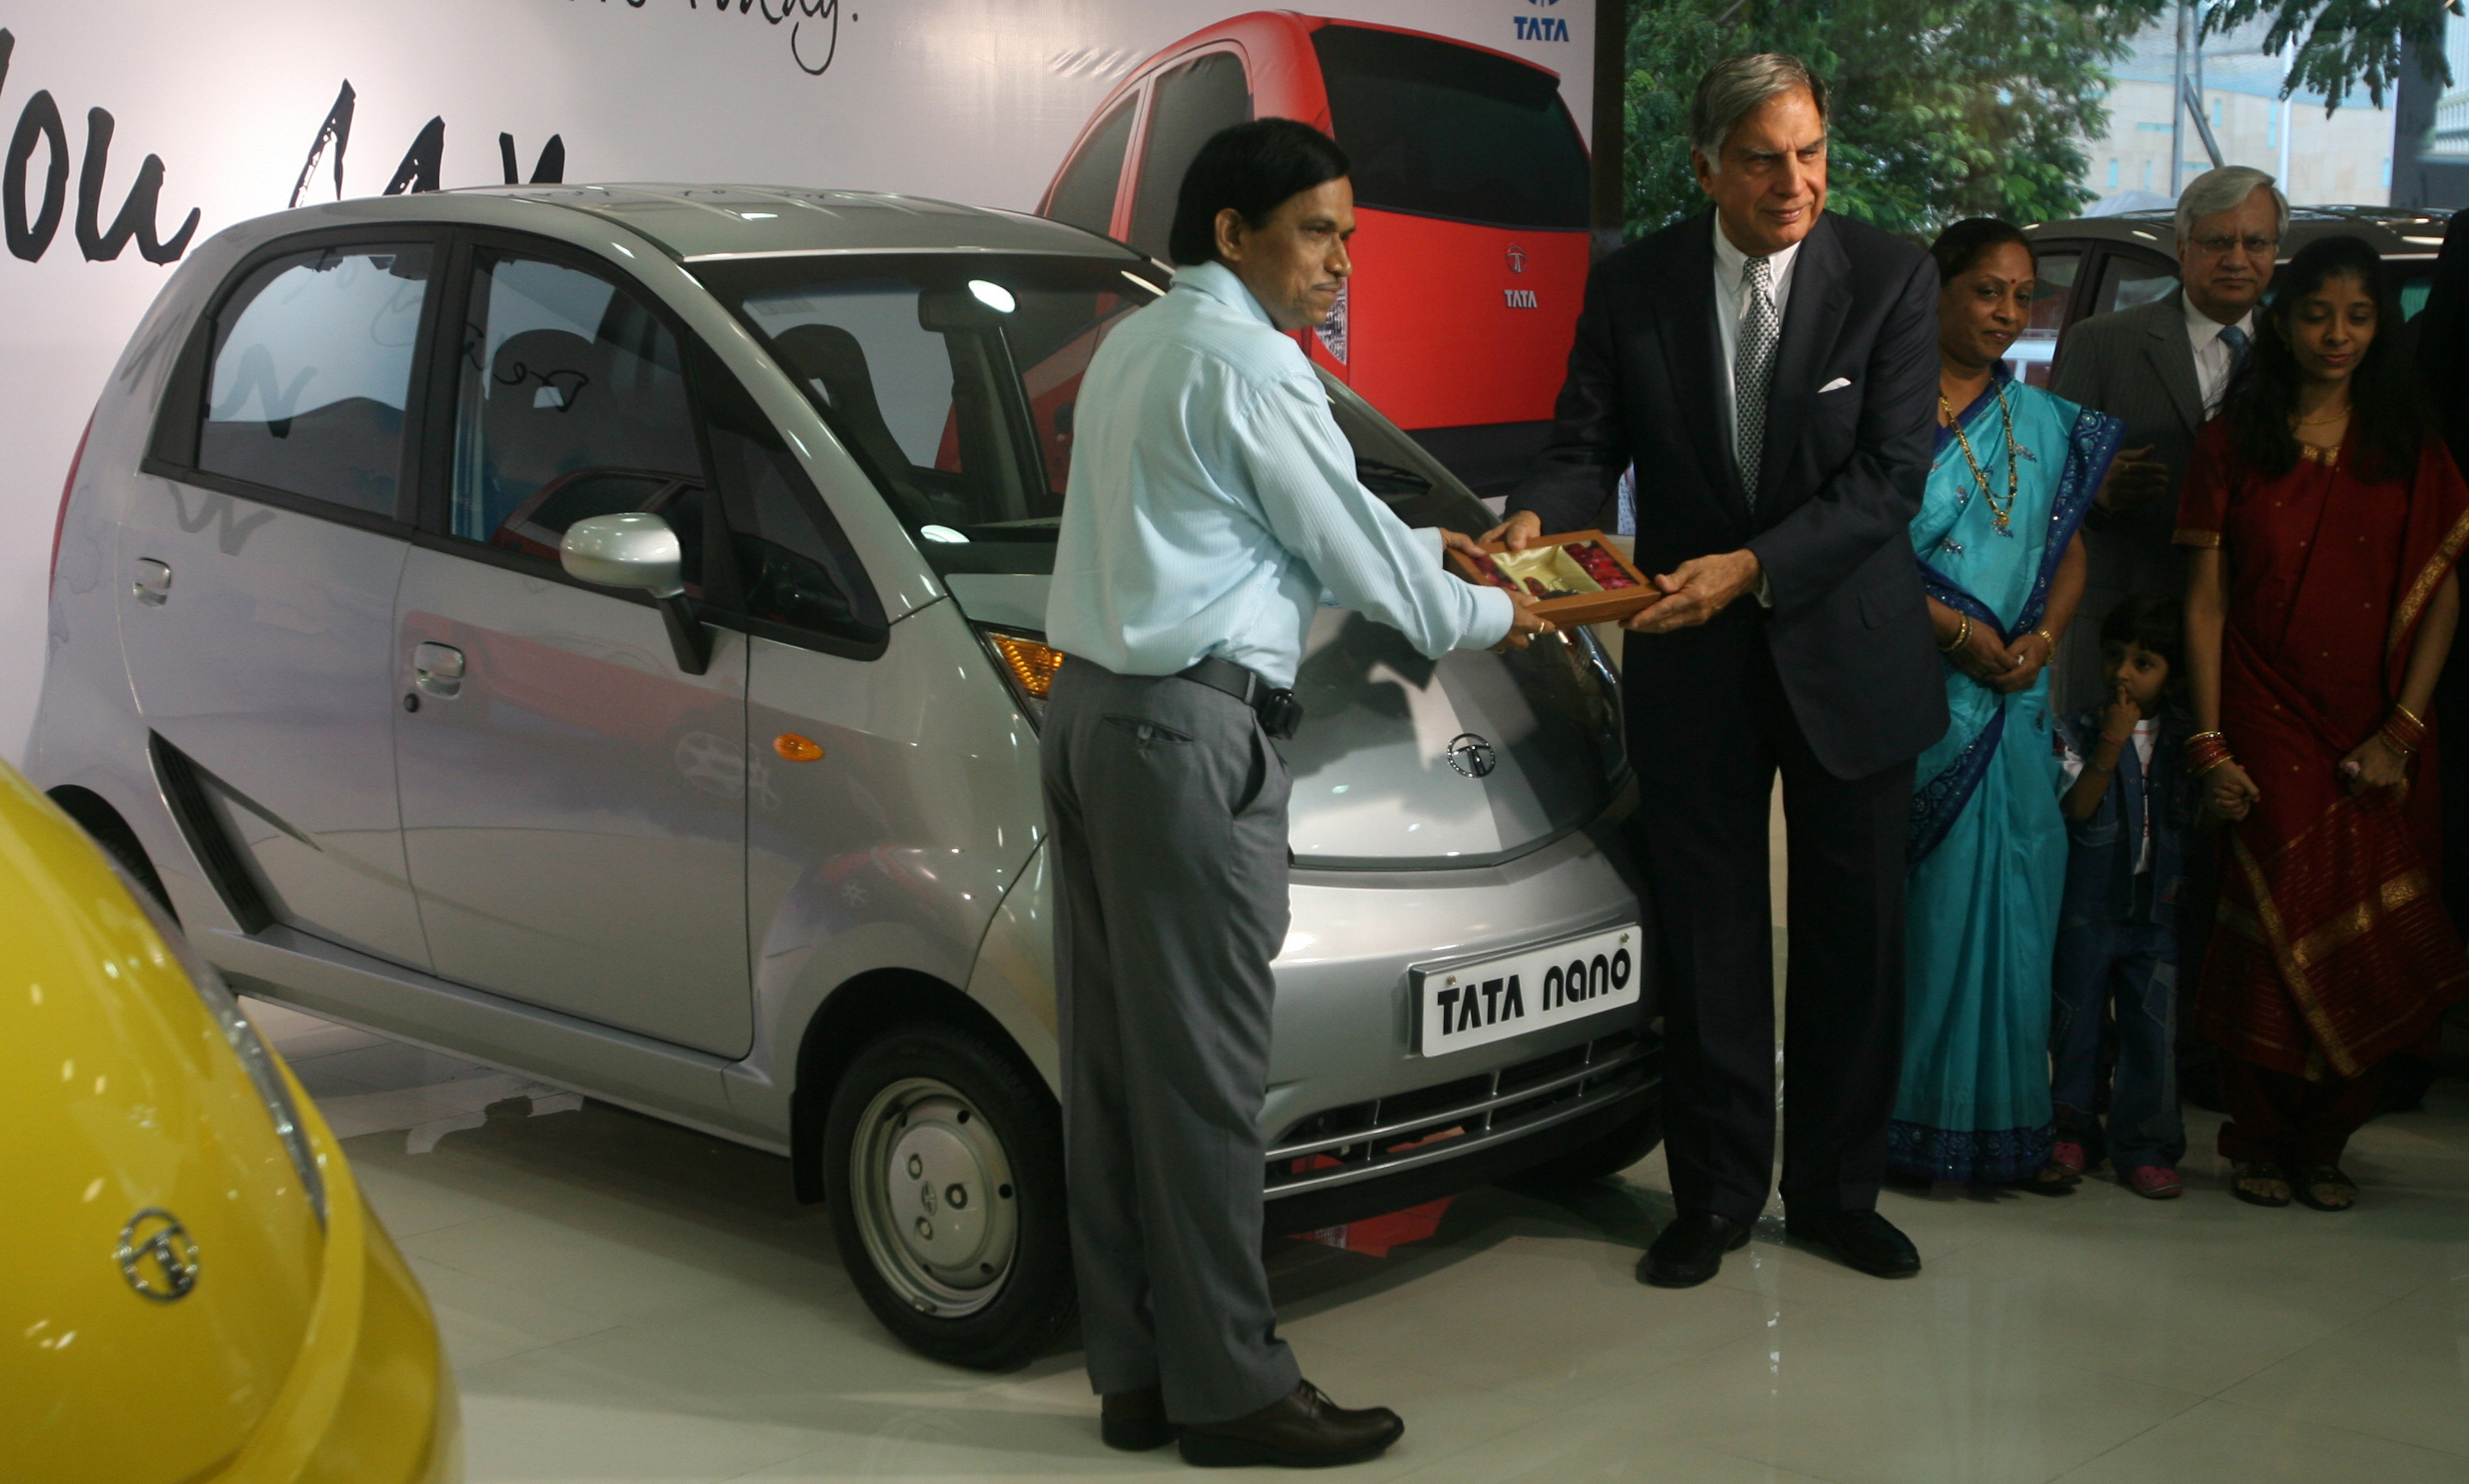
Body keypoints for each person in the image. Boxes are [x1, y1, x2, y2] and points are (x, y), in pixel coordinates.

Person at [1041, 119, 1546, 1468]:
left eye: (1349, 239)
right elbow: (1368, 577)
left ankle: (1141, 1375)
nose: (1339, 265)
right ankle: (1234, 1390)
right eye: (1318, 233)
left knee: (1115, 1073)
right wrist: (1513, 611)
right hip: (1189, 741)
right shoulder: (1255, 365)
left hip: (1093, 714)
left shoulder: (1138, 341)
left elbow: (1279, 523)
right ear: (1231, 233)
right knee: (1206, 1085)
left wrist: (1420, 545)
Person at [1491, 53, 1943, 1286]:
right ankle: (1714, 1194)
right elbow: (1583, 445)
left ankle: (1840, 1192)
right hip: (1690, 661)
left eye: (1808, 153)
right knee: (1710, 935)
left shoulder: (1890, 276)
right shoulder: (1635, 285)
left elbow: (1889, 480)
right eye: (1760, 159)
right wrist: (1538, 519)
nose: (1791, 182)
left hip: (1846, 652)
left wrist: (1749, 566)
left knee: (1855, 937)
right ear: (1702, 167)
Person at [2177, 235, 2469, 1212]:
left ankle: (2328, 1138)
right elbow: (2207, 603)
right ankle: (2259, 1133)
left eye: (2357, 316)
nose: (2336, 334)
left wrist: (2404, 731)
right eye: (2315, 313)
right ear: (2284, 320)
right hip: (2263, 709)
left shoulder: (2409, 451)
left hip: (2375, 722)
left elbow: (2442, 599)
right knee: (2269, 923)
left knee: (2367, 930)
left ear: (2380, 326)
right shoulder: (2234, 442)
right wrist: (2210, 738)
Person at [1888, 218, 2114, 1194]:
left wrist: (2045, 643)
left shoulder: (2043, 425)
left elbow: (2071, 555)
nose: (2007, 313)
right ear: (1937, 292)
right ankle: (1905, 1129)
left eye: (2023, 296)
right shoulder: (1887, 418)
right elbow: (1860, 558)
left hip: (2016, 706)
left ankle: (2012, 1131)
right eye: (1987, 291)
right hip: (1921, 701)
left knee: (2021, 917)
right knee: (1932, 921)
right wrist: (1955, 633)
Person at [2049, 166, 2288, 709]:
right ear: (2183, 248)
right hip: (2123, 637)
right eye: (2218, 241)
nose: (2236, 258)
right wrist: (2096, 494)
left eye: (2255, 242)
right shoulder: (2104, 344)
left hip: (2253, 643)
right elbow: (2042, 492)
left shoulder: (2296, 354)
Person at [2050, 593, 2196, 1198]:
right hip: (2088, 910)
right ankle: (2071, 1131)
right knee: (2075, 1023)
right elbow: (2078, 810)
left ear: (2173, 675)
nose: (2123, 673)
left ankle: (2145, 1143)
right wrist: (2111, 741)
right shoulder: (2075, 728)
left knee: (2151, 1029)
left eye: (2144, 662)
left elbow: (2195, 823)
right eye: (2115, 656)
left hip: (2155, 912)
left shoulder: (2187, 743)